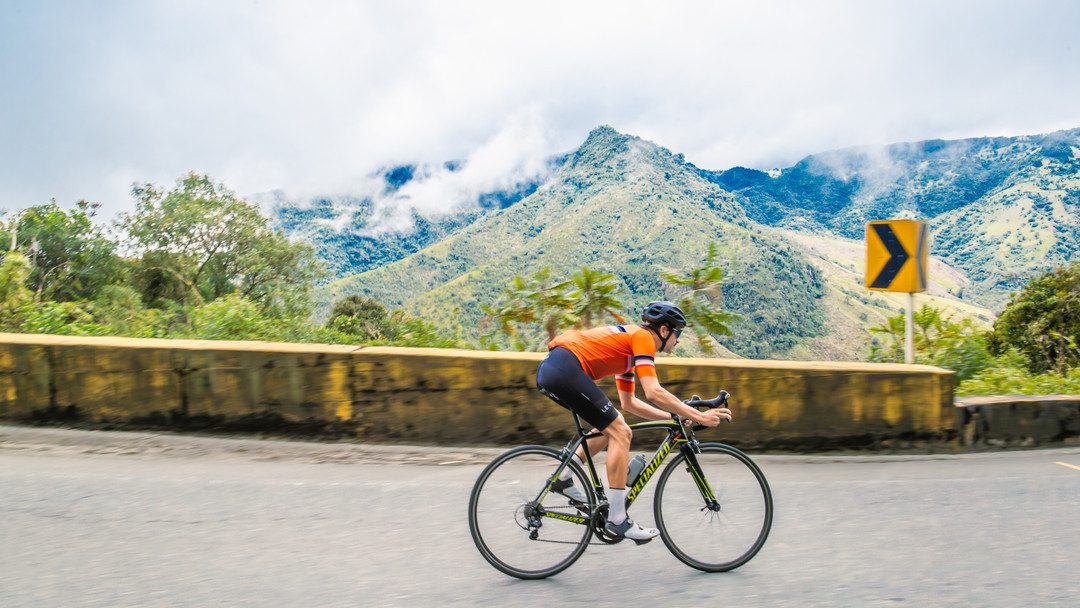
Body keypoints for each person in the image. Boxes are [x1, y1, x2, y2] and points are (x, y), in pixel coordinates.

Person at [535, 301, 731, 542]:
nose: (678, 340)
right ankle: (618, 519)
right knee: (622, 433)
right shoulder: (643, 338)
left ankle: (564, 478)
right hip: (563, 368)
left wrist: (675, 417)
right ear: (663, 330)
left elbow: (630, 403)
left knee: (612, 428)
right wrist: (698, 416)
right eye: (677, 333)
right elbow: (653, 391)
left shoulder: (628, 351)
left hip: (555, 369)